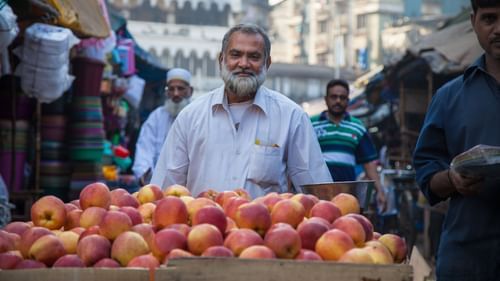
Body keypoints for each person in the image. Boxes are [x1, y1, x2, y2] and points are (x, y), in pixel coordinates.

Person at [151, 23, 332, 198]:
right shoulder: (191, 117)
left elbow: (318, 194)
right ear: (221, 60)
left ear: (267, 63)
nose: (243, 63)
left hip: (266, 229)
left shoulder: (291, 117)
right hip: (202, 227)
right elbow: (165, 188)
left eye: (254, 57)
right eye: (235, 54)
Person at [413, 1, 500, 280]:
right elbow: (426, 174)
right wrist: (453, 178)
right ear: (473, 22)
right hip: (467, 257)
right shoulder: (450, 97)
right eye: (490, 18)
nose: (499, 29)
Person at [311, 79, 387, 210]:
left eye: (342, 97)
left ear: (347, 100)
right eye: (334, 97)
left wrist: (380, 190)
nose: (338, 101)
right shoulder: (311, 124)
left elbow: (369, 163)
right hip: (318, 194)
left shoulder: (357, 127)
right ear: (326, 99)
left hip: (347, 196)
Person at [132, 68, 193, 185]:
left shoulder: (197, 117)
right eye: (171, 89)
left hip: (189, 185)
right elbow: (145, 147)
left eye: (180, 89)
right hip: (157, 184)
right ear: (166, 92)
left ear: (190, 91)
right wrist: (143, 172)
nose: (176, 93)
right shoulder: (156, 117)